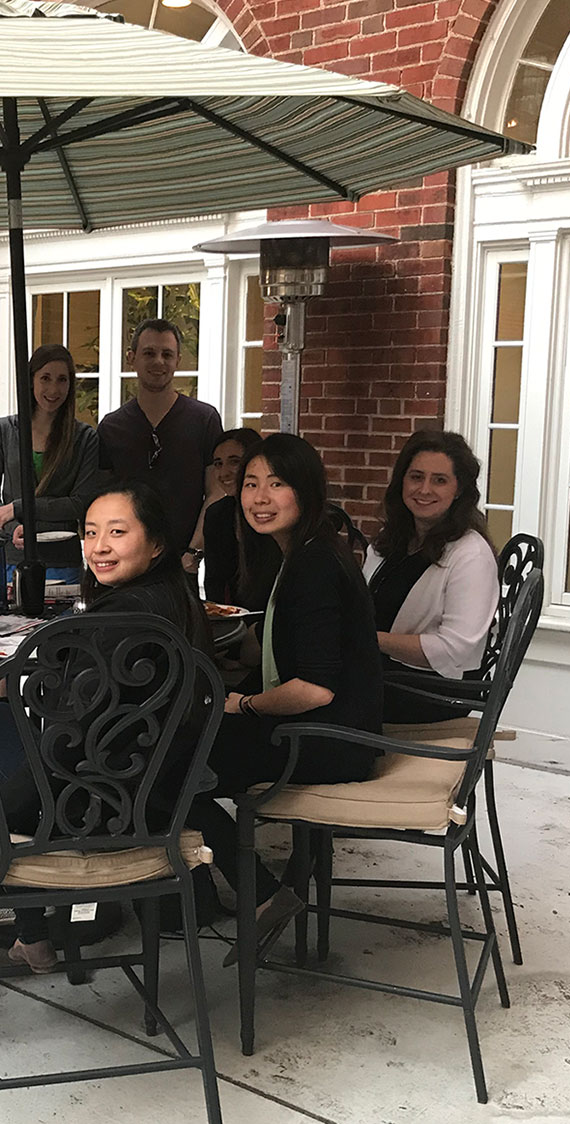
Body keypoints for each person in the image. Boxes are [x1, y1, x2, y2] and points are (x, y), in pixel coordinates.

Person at [0, 481, 224, 970]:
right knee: (9, 722)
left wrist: (5, 806)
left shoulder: (117, 621)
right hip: (155, 795)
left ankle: (21, 931)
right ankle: (32, 933)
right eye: (91, 532)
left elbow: (71, 738)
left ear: (158, 543)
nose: (99, 547)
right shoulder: (175, 602)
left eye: (117, 532)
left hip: (94, 809)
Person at [208, 434, 385, 959]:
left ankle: (258, 895)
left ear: (305, 491)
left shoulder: (312, 565)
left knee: (172, 763)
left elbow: (314, 687)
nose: (260, 498)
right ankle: (256, 892)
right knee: (179, 749)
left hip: (329, 740)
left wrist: (242, 705)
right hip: (328, 729)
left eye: (277, 484)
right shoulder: (306, 551)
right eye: (251, 484)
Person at [364, 429, 498, 724]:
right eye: (416, 477)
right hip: (384, 673)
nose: (424, 489)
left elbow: (452, 649)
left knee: (316, 692)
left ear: (459, 489)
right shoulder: (394, 539)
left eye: (439, 480)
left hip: (433, 691)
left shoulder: (470, 555)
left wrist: (370, 641)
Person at [97, 318, 223, 556]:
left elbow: (216, 493)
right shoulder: (112, 427)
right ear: (131, 357)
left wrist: (193, 552)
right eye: (149, 353)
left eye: (167, 354)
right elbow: (103, 499)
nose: (158, 361)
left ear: (178, 361)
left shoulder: (204, 420)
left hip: (183, 560)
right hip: (125, 559)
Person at [0, 343, 101, 576]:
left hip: (63, 561)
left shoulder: (85, 438)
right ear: (31, 380)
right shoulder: (3, 431)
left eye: (62, 379)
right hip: (14, 558)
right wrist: (14, 526)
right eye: (45, 378)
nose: (53, 389)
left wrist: (19, 507)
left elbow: (79, 503)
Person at [196, 428, 263, 601]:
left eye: (234, 462)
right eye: (218, 463)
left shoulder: (269, 514)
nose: (224, 472)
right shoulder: (217, 514)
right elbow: (214, 581)